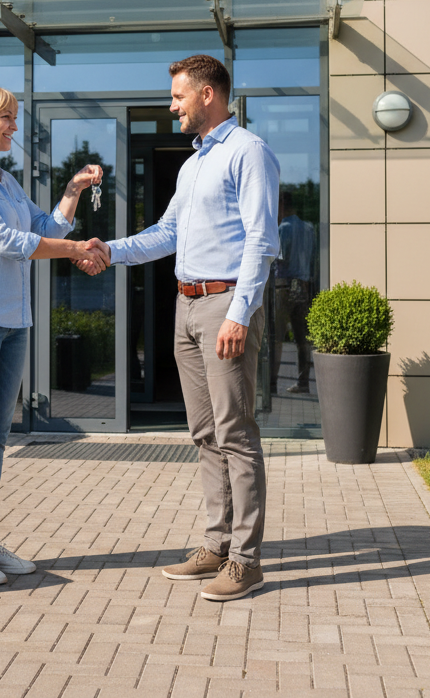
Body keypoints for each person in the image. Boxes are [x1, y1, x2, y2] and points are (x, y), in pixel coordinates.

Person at [76, 55, 279, 602]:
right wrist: (108, 251)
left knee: (235, 434)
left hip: (223, 306)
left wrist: (240, 313)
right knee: (205, 434)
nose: (172, 106)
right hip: (185, 307)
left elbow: (262, 241)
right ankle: (216, 544)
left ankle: (246, 560)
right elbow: (164, 234)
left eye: (178, 96)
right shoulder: (193, 167)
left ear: (208, 94)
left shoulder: (248, 152)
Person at [0, 83, 109, 586]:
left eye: (14, 118)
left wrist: (74, 189)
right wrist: (76, 249)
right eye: (6, 118)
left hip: (13, 319)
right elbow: (7, 241)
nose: (14, 126)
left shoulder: (5, 180)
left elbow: (44, 222)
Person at [271, 191, 316, 395]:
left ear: (282, 205)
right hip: (303, 287)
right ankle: (303, 382)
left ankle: (271, 384)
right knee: (302, 339)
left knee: (277, 337)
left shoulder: (283, 228)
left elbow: (280, 259)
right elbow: (314, 260)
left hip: (284, 286)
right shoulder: (309, 228)